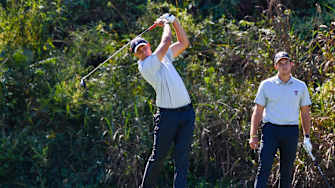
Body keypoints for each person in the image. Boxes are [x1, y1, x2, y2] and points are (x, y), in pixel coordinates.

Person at [131, 13, 195, 188]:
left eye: (144, 47)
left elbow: (184, 43)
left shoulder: (164, 56)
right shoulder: (146, 66)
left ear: (148, 46)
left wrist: (175, 21)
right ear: (137, 56)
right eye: (139, 51)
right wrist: (166, 23)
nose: (143, 51)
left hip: (187, 113)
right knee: (158, 157)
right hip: (168, 116)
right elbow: (166, 41)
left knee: (182, 158)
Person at [249, 51, 313, 188]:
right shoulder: (266, 85)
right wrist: (253, 135)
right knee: (264, 168)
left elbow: (305, 112)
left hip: (291, 131)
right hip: (270, 130)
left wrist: (307, 136)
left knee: (287, 171)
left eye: (286, 63)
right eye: (280, 64)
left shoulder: (300, 86)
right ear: (275, 66)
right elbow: (258, 111)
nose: (284, 66)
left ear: (291, 65)